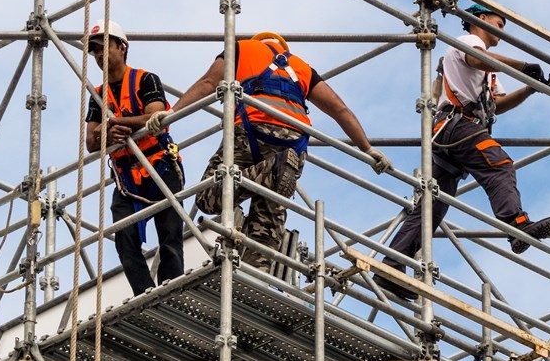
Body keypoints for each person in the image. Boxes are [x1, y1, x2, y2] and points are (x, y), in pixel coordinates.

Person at [148, 31, 391, 272]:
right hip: (294, 145)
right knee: (267, 222)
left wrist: (172, 114)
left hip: (252, 132)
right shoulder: (302, 67)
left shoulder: (242, 49)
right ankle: (256, 275)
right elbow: (340, 110)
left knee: (207, 197)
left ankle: (273, 170)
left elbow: (208, 83)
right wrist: (368, 149)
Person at [374, 3, 550, 301]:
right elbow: (477, 59)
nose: (501, 31)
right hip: (458, 126)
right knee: (499, 165)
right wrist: (524, 67)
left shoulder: (488, 68)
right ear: (480, 20)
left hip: (454, 131)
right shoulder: (469, 43)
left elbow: (496, 104)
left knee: (433, 205)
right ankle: (516, 225)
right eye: (498, 24)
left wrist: (529, 87)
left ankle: (391, 266)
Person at [85, 19, 185, 296]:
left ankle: (173, 292)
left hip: (159, 164)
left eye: (104, 47)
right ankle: (145, 294)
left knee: (169, 235)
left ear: (122, 46)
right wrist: (107, 131)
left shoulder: (145, 79)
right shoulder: (97, 95)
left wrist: (121, 123)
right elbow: (91, 143)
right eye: (94, 50)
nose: (99, 55)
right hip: (126, 175)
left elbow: (157, 118)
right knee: (125, 239)